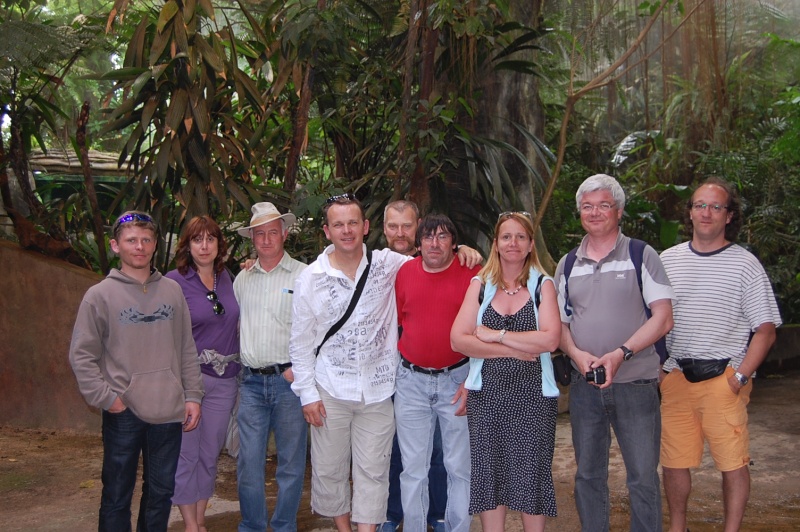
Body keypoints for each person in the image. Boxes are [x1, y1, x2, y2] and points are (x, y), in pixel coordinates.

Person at [289, 194, 480, 532]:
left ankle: (371, 528)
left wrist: (463, 248)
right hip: (331, 386)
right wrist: (307, 392)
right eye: (338, 224)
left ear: (364, 227)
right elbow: (301, 342)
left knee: (375, 468)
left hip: (379, 388)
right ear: (327, 231)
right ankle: (345, 527)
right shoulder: (311, 278)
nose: (346, 230)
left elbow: (435, 254)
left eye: (352, 223)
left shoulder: (389, 263)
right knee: (332, 468)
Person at [659, 177, 782, 532]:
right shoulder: (668, 260)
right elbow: (650, 318)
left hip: (724, 378)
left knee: (732, 463)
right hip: (677, 378)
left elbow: (766, 329)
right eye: (700, 205)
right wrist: (659, 371)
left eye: (716, 206)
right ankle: (677, 527)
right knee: (674, 463)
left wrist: (740, 377)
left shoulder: (745, 264)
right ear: (690, 212)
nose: (707, 213)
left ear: (729, 216)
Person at [69, 211, 204, 532]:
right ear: (116, 246)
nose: (139, 247)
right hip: (123, 412)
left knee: (160, 493)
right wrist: (108, 398)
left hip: (168, 410)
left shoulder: (172, 291)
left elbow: (185, 347)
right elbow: (81, 355)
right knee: (117, 494)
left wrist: (193, 395)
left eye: (146, 240)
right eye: (131, 240)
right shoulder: (99, 296)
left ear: (155, 244)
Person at [554, 174, 675, 532]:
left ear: (618, 211)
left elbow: (663, 317)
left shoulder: (641, 254)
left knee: (642, 476)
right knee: (588, 475)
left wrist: (621, 353)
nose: (594, 213)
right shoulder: (568, 264)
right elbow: (558, 325)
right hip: (585, 386)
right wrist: (576, 354)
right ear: (579, 213)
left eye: (603, 205)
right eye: (587, 206)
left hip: (635, 383)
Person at [450, 211, 561, 532]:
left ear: (530, 246)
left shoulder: (543, 286)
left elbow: (550, 339)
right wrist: (513, 349)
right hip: (486, 397)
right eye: (506, 237)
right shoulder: (481, 284)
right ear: (495, 244)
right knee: (489, 477)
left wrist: (494, 334)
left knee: (531, 477)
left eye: (521, 237)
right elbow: (459, 339)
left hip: (533, 398)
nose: (513, 243)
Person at [394, 214, 480, 532]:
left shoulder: (474, 274)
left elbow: (485, 329)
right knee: (413, 469)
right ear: (418, 244)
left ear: (454, 243)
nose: (434, 243)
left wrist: (474, 379)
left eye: (443, 237)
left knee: (459, 467)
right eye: (428, 237)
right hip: (411, 382)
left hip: (457, 380)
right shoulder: (403, 273)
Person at [234, 202, 308, 532]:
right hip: (251, 383)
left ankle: (283, 526)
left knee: (291, 464)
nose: (266, 240)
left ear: (285, 234)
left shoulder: (305, 275)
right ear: (252, 238)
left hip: (289, 383)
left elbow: (318, 328)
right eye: (259, 234)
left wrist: (302, 371)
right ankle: (252, 525)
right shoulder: (242, 279)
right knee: (248, 462)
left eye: (272, 232)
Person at [165, 216, 240, 532]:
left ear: (219, 245)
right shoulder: (173, 282)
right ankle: (190, 525)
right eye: (198, 239)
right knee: (187, 456)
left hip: (225, 381)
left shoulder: (229, 278)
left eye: (211, 238)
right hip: (190, 382)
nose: (205, 245)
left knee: (210, 456)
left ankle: (199, 521)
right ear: (188, 245)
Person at [382, 200, 448, 532]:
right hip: (387, 371)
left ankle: (438, 512)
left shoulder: (438, 258)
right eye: (393, 226)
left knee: (436, 447)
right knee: (396, 449)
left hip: (427, 371)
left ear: (419, 227)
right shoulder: (376, 264)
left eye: (407, 226)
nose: (400, 233)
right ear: (383, 229)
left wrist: (463, 249)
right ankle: (394, 513)